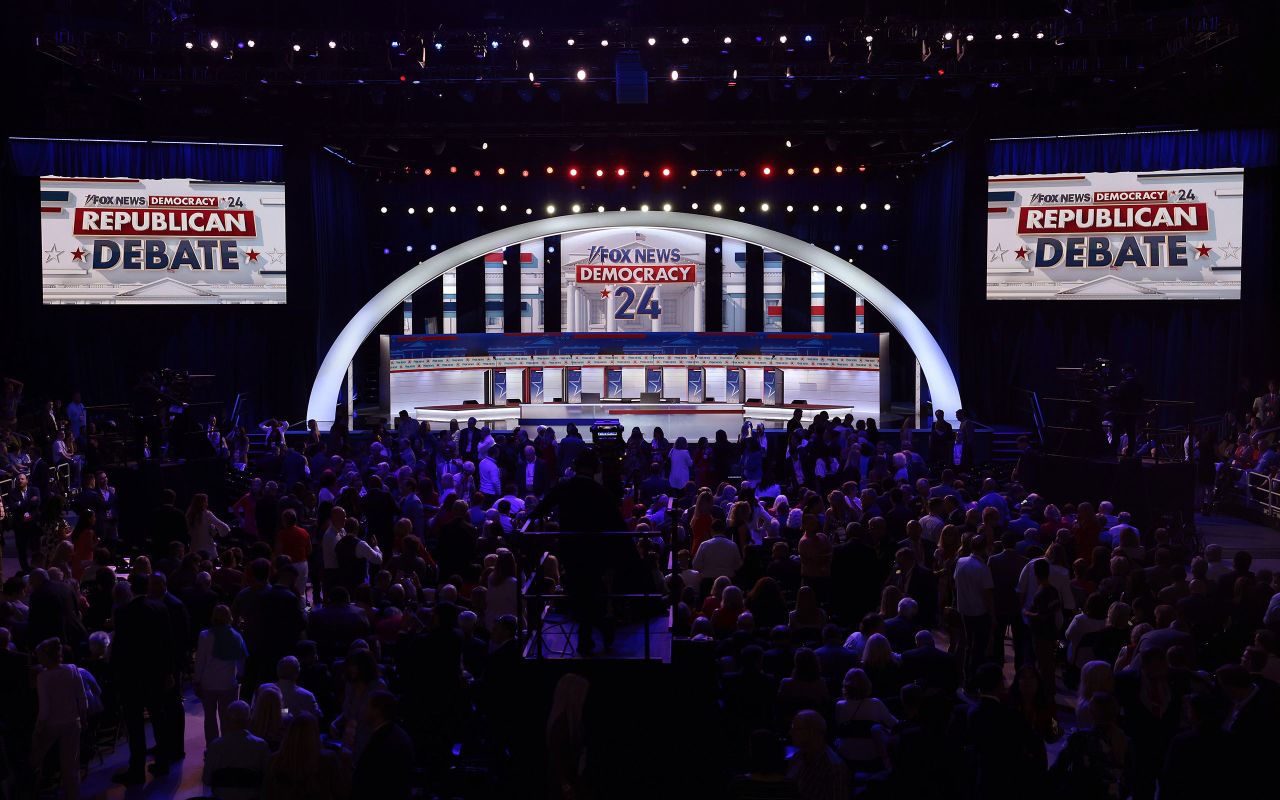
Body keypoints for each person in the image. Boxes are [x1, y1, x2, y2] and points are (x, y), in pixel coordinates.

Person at [30, 638, 87, 800]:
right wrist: (83, 718)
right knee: (71, 765)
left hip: (51, 724)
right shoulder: (72, 670)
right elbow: (82, 698)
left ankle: (28, 791)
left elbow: (45, 709)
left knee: (35, 758)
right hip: (72, 721)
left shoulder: (43, 678)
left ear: (46, 657)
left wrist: (38, 729)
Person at [194, 605, 248, 746]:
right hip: (228, 683)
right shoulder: (236, 636)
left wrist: (197, 680)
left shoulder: (204, 635)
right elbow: (241, 661)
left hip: (208, 683)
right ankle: (227, 746)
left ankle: (212, 746)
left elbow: (200, 661)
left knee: (210, 718)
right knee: (227, 718)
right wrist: (240, 677)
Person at [261, 712, 345, 800]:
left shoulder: (275, 760)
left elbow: (267, 794)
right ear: (315, 733)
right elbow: (340, 792)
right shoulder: (328, 759)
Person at [350, 690, 415, 800]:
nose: (362, 709)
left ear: (377, 711)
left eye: (366, 705)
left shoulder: (382, 741)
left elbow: (364, 782)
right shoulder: (395, 733)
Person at [202, 700, 270, 800]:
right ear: (249, 719)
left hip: (222, 796)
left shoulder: (215, 746)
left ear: (227, 720)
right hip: (252, 796)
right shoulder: (261, 745)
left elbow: (206, 779)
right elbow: (268, 778)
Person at [787, 710, 848, 800]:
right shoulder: (798, 756)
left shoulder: (834, 769)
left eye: (795, 728)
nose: (790, 733)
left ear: (811, 732)